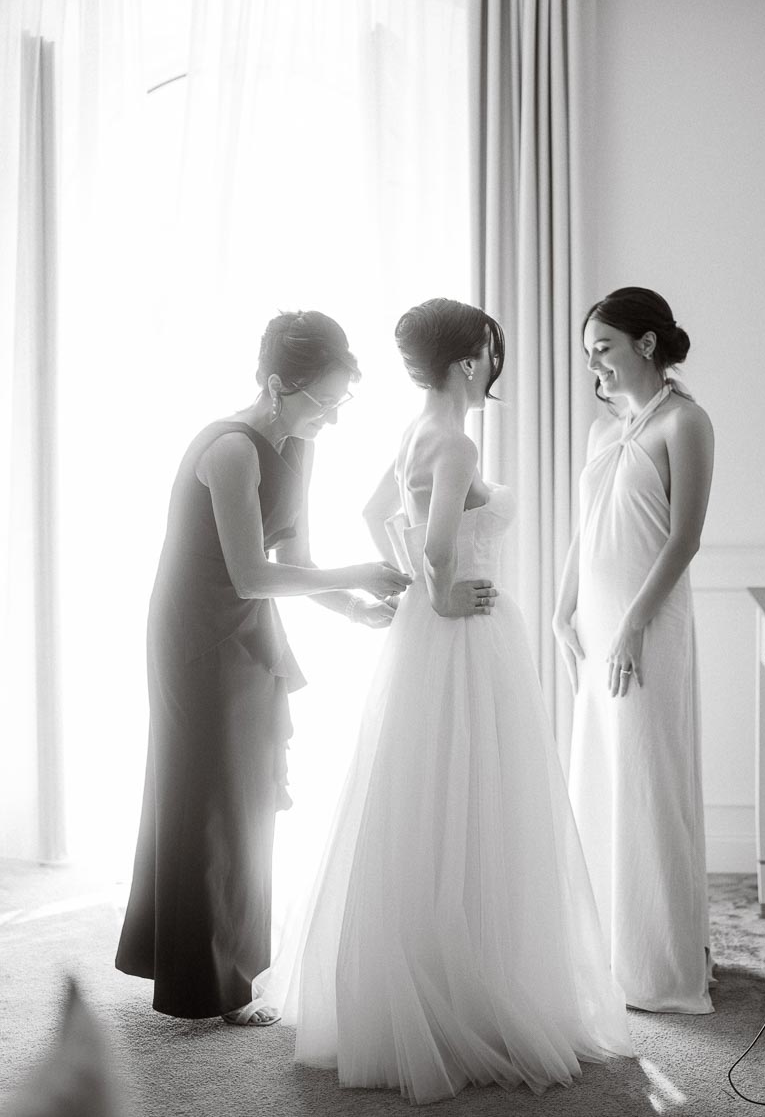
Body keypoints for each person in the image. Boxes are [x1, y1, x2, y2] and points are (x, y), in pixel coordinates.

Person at [255, 297, 632, 1104]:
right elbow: (431, 542)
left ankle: (437, 975)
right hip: (465, 635)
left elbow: (374, 513)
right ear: (470, 361)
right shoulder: (455, 440)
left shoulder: (414, 433)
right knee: (479, 795)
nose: (495, 363)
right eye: (490, 350)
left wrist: (420, 587)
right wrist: (444, 590)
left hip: (428, 636)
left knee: (425, 797)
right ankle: (470, 988)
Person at [115, 310, 411, 1026]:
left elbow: (296, 565)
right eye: (325, 402)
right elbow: (249, 573)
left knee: (246, 800)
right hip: (195, 634)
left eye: (343, 402)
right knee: (207, 800)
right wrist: (362, 570)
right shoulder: (230, 450)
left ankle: (219, 966)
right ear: (278, 385)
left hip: (246, 628)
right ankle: (205, 986)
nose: (335, 419)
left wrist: (350, 607)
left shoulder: (299, 446)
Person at [553, 286, 715, 1015]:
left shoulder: (686, 422)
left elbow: (684, 539)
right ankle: (607, 956)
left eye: (604, 349)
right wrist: (564, 609)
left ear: (646, 345)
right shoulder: (601, 428)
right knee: (602, 776)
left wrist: (631, 627)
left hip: (649, 625)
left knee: (650, 781)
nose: (595, 365)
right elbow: (585, 529)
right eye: (589, 352)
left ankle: (661, 966)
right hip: (597, 624)